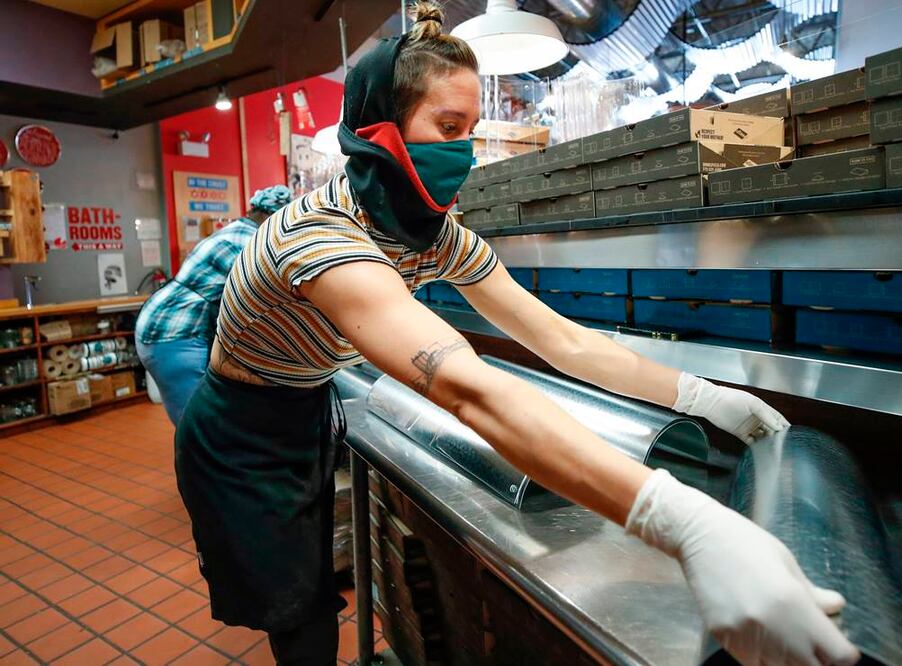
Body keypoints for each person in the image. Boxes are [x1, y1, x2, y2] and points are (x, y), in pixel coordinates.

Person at [175, 4, 861, 665]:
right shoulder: (319, 242)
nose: (464, 153)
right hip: (238, 430)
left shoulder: (432, 234)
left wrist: (705, 398)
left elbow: (563, 342)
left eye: (470, 129)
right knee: (301, 615)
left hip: (306, 408)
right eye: (447, 127)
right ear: (380, 128)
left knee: (313, 577)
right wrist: (678, 520)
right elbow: (465, 388)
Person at [135, 185, 293, 424]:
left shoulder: (236, 230)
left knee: (203, 423)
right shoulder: (248, 241)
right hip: (174, 333)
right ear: (274, 217)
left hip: (161, 324)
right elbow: (272, 294)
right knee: (199, 426)